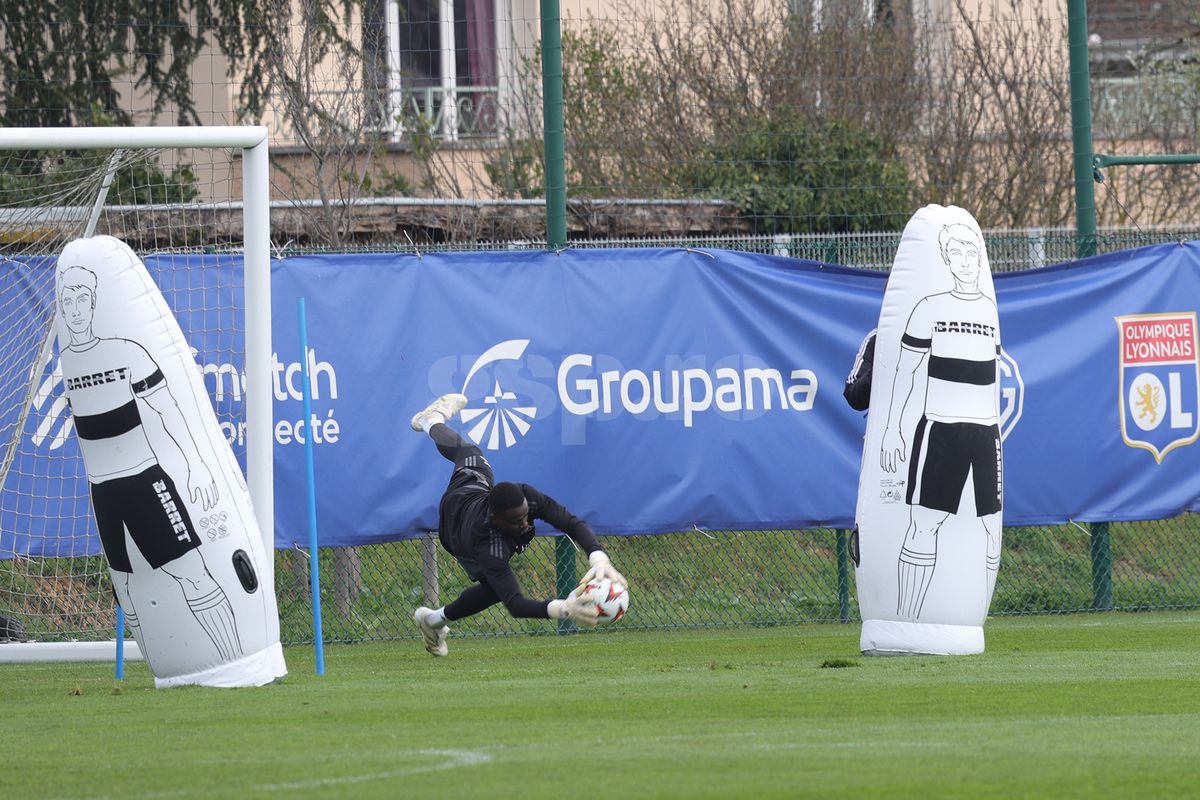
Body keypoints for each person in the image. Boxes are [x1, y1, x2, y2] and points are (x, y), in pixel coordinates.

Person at [58, 264, 242, 661]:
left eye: (81, 300)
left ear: (94, 305)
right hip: (102, 492)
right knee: (126, 588)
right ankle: (164, 666)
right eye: (66, 301)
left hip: (145, 481)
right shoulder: (67, 363)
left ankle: (235, 659)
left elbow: (166, 408)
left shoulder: (126, 352)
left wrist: (195, 466)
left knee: (191, 572)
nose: (74, 310)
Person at [409, 393, 627, 657]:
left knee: (469, 452)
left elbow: (571, 523)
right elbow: (515, 604)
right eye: (516, 521)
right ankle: (433, 622)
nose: (525, 524)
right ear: (496, 519)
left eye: (525, 516)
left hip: (472, 488)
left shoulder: (527, 497)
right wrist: (564, 608)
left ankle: (431, 419)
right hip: (455, 529)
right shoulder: (488, 545)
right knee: (494, 590)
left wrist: (598, 558)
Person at [877, 223, 1002, 619]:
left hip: (986, 434)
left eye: (972, 254)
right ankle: (908, 618)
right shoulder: (929, 307)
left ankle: (972, 620)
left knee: (990, 529)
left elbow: (994, 372)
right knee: (924, 523)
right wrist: (894, 428)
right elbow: (905, 371)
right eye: (958, 254)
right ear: (946, 259)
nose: (966, 262)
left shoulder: (988, 309)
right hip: (940, 431)